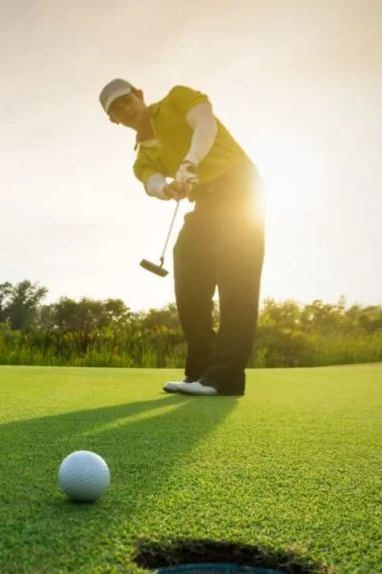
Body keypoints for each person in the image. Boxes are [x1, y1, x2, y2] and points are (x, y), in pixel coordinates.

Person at [99, 78, 266, 396]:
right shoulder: (141, 159)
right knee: (188, 267)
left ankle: (227, 377)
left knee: (236, 278)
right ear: (113, 120)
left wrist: (190, 161)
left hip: (239, 185)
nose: (125, 109)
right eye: (117, 109)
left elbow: (205, 123)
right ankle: (201, 371)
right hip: (204, 201)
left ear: (139, 95)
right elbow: (152, 183)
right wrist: (169, 188)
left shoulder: (177, 98)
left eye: (126, 100)